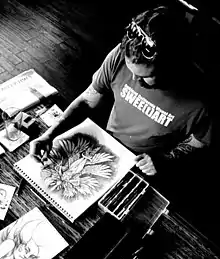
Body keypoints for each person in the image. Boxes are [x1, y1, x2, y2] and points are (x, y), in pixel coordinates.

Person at [30, 6, 212, 181]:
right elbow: (87, 100)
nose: (134, 78)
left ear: (173, 67)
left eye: (146, 76)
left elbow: (200, 141)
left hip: (148, 166)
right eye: (130, 69)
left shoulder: (201, 99)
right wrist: (50, 134)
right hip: (108, 144)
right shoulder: (120, 55)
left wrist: (164, 160)